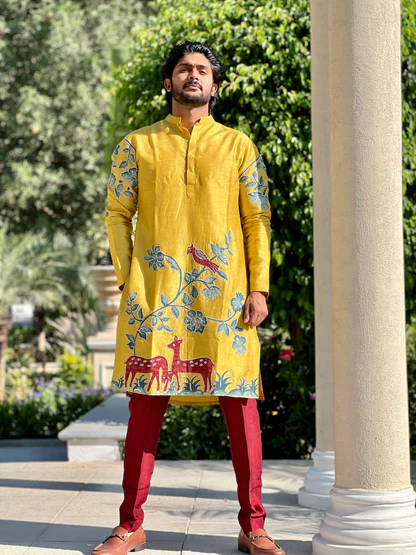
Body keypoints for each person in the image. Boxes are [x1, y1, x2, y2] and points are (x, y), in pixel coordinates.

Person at [91, 41, 285, 555]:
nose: (193, 75)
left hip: (226, 298)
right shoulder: (137, 145)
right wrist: (129, 278)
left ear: (214, 86)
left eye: (202, 70)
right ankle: (130, 525)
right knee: (145, 408)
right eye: (183, 69)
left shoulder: (238, 146)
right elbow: (117, 213)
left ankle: (253, 526)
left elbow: (257, 218)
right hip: (156, 297)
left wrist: (259, 286)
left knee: (241, 409)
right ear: (168, 82)